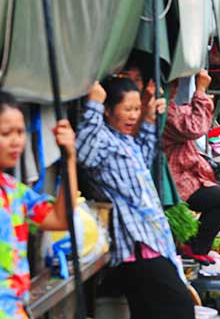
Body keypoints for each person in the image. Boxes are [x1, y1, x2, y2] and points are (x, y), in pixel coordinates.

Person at [76, 79, 194, 319]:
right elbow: (83, 153)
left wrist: (149, 118)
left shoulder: (125, 140)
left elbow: (145, 155)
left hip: (154, 241)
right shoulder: (101, 139)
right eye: (127, 109)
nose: (132, 116)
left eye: (136, 109)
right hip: (137, 246)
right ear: (108, 111)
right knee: (179, 307)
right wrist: (94, 106)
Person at [0, 93, 78, 319]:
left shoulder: (14, 191)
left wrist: (69, 161)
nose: (16, 141)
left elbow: (60, 219)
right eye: (6, 134)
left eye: (20, 132)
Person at [162, 70, 220, 264]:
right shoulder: (161, 110)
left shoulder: (167, 107)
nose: (176, 88)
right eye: (173, 84)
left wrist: (200, 98)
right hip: (174, 179)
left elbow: (186, 118)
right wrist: (201, 91)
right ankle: (195, 246)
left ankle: (195, 244)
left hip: (185, 173)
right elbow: (194, 127)